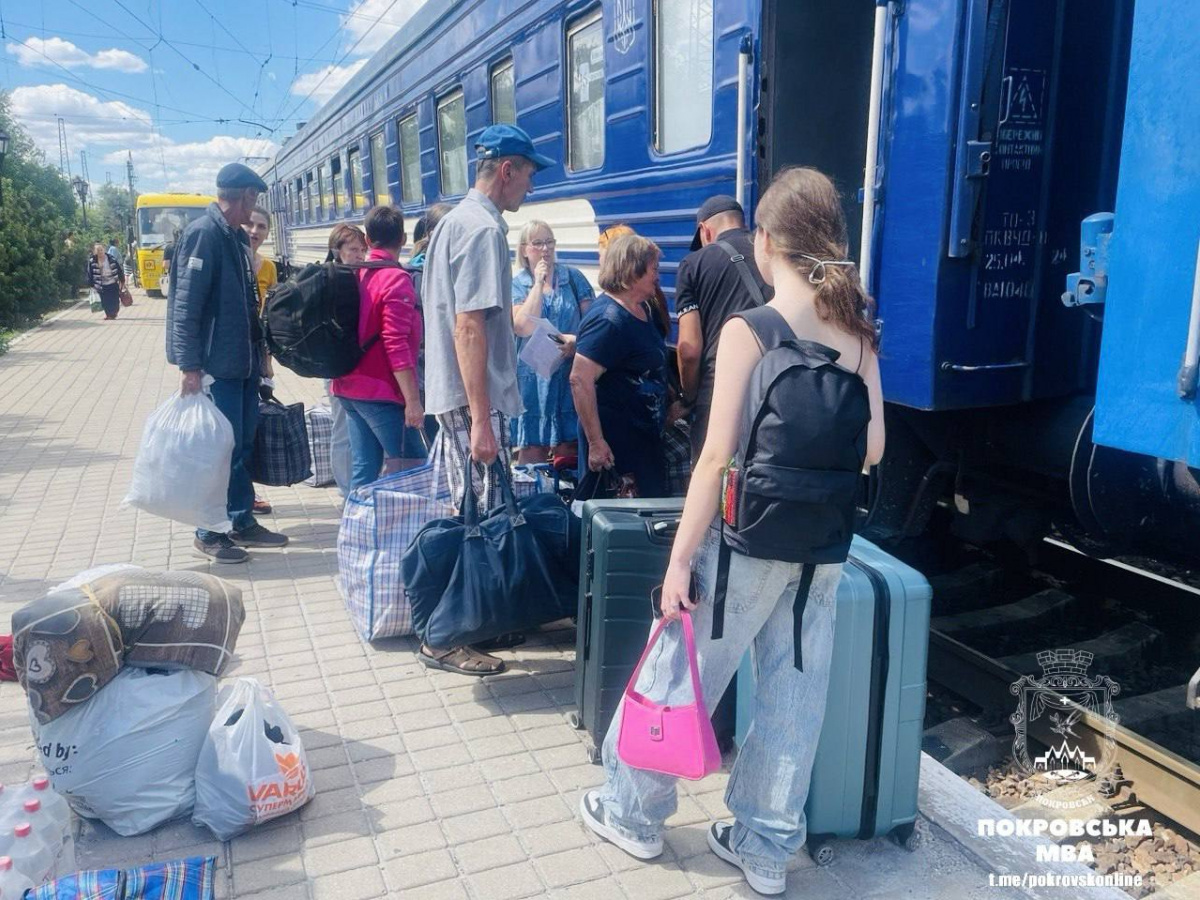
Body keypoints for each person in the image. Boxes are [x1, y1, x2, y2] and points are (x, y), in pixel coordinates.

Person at [579, 168, 885, 897]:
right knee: (794, 695)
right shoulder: (858, 332)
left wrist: (681, 562)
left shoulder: (754, 330)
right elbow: (873, 450)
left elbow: (714, 459)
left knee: (680, 676)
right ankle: (766, 849)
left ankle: (632, 813)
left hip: (745, 542)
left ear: (766, 243)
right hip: (821, 550)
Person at [421, 123, 552, 677]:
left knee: (473, 507)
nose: (530, 186)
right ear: (506, 170)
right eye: (527, 174)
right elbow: (469, 327)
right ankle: (445, 635)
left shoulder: (458, 222)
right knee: (469, 513)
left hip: (461, 393)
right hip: (471, 397)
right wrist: (481, 421)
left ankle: (478, 618)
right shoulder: (480, 231)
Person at [166, 162, 289, 564]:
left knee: (241, 444)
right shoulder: (204, 235)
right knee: (218, 450)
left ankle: (240, 519)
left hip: (242, 361)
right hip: (216, 364)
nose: (252, 212)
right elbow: (187, 306)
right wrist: (189, 366)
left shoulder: (233, 237)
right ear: (241, 197)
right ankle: (208, 532)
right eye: (252, 200)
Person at [331, 206, 427, 489]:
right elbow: (394, 344)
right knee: (414, 467)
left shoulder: (355, 273)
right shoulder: (396, 279)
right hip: (380, 392)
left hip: (348, 388)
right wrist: (412, 401)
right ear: (404, 238)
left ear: (369, 241)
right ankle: (410, 532)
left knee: (364, 472)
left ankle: (355, 532)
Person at [569, 234, 669, 498]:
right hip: (616, 449)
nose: (658, 276)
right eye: (654, 269)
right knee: (622, 527)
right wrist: (596, 442)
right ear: (632, 270)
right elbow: (580, 378)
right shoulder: (608, 319)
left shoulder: (643, 308)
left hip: (643, 440)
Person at [674, 195, 771, 461]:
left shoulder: (692, 265)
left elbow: (689, 348)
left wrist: (689, 397)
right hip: (773, 388)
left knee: (715, 481)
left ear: (705, 230)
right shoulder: (771, 254)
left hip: (716, 393)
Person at [510, 220, 594, 464]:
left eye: (549, 242)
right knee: (533, 450)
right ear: (524, 249)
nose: (545, 249)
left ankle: (569, 500)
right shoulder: (518, 284)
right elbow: (523, 325)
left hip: (569, 372)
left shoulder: (574, 279)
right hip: (533, 378)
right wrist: (538, 283)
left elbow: (592, 326)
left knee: (569, 448)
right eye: (537, 243)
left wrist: (575, 342)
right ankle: (535, 501)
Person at [321, 224, 370, 495]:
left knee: (355, 428)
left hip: (356, 364)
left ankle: (357, 488)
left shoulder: (360, 276)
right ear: (336, 251)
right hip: (337, 366)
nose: (360, 255)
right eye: (353, 250)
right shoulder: (330, 279)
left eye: (363, 249)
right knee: (342, 428)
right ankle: (345, 491)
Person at [244, 206, 278, 516]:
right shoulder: (230, 259)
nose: (255, 231)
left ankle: (248, 493)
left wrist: (268, 361)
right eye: (251, 224)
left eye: (262, 227)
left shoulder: (267, 267)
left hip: (257, 351)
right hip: (233, 355)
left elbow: (269, 318)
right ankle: (241, 495)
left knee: (253, 427)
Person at [88, 242, 126, 320]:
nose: (100, 252)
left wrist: (122, 280)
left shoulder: (111, 258)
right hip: (100, 284)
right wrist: (91, 284)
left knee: (115, 299)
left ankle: (114, 313)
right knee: (105, 300)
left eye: (101, 250)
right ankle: (108, 314)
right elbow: (90, 273)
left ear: (104, 250)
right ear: (94, 251)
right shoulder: (92, 261)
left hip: (112, 282)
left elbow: (119, 269)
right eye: (97, 250)